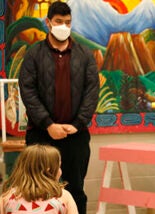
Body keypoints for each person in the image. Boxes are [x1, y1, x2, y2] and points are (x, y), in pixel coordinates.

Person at [18, 2, 99, 214]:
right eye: (59, 22)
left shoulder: (85, 55)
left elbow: (92, 92)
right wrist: (48, 124)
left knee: (76, 191)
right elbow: (28, 91)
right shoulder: (34, 54)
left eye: (68, 22)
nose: (63, 26)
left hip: (76, 137)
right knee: (35, 190)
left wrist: (77, 124)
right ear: (48, 23)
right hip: (40, 136)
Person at [0, 144, 78, 214]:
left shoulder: (6, 197)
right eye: (59, 167)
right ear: (48, 170)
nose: (60, 171)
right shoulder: (62, 196)